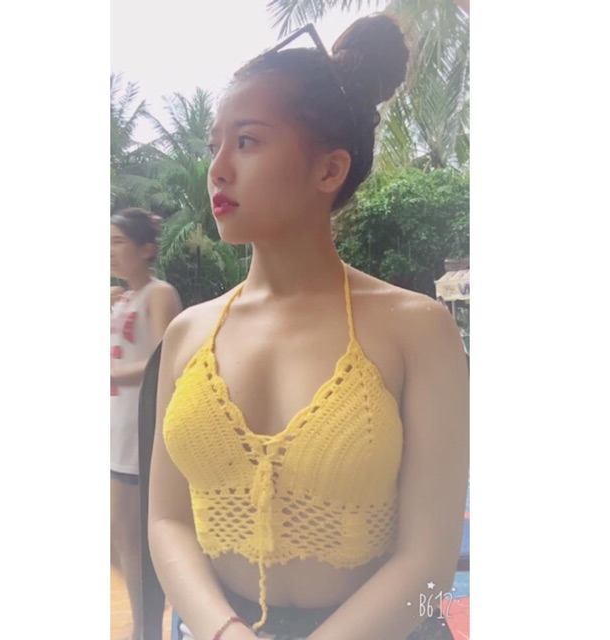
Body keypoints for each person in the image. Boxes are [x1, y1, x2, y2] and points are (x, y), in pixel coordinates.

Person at [149, 14, 468, 640]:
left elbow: (429, 563)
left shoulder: (416, 330)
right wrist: (222, 630)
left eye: (247, 141)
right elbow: (168, 520)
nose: (218, 169)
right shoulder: (188, 334)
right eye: (214, 146)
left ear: (329, 170)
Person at [110, 207, 183, 640]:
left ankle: (145, 630)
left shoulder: (160, 294)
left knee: (133, 542)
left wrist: (112, 375)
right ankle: (143, 625)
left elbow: (163, 360)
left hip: (138, 438)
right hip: (114, 433)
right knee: (118, 541)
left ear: (146, 249)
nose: (109, 251)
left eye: (118, 242)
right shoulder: (123, 297)